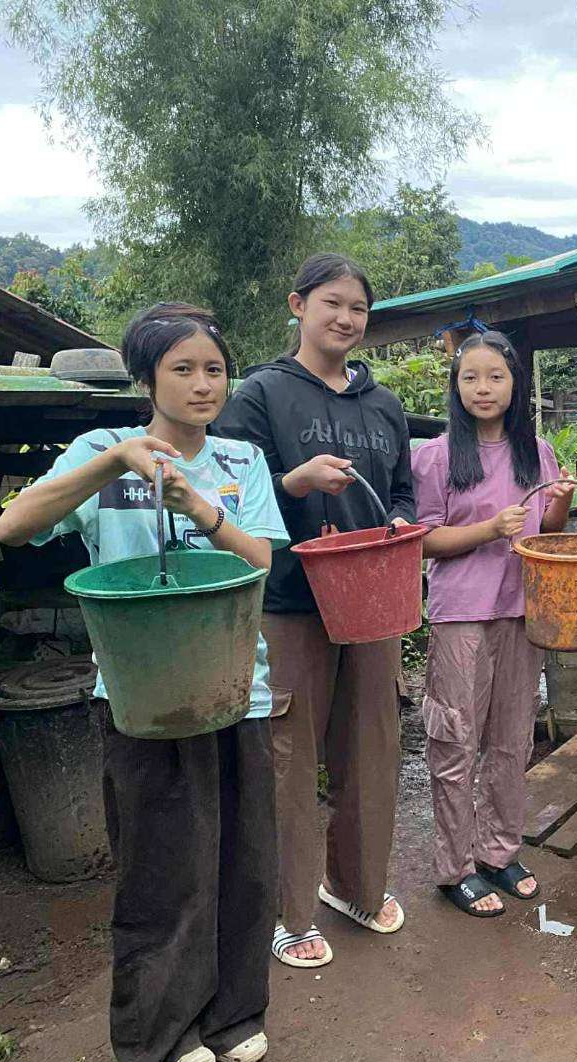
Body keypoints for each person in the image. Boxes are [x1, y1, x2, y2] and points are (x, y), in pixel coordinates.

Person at [0, 303, 288, 1062]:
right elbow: (15, 527)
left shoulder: (239, 458)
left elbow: (264, 558)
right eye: (182, 369)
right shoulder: (98, 450)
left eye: (214, 369)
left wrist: (201, 509)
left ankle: (234, 1013)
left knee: (245, 862)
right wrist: (114, 462)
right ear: (146, 377)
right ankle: (157, 1038)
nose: (202, 384)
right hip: (143, 694)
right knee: (163, 867)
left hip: (237, 686)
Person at [214, 253, 415, 968]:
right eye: (332, 303)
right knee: (288, 757)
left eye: (357, 309)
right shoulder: (260, 396)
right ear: (297, 305)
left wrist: (395, 523)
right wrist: (292, 481)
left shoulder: (383, 404)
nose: (345, 319)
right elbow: (229, 498)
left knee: (372, 745)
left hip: (373, 600)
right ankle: (287, 911)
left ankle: (356, 887)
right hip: (289, 601)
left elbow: (403, 497)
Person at [411, 330, 573, 916]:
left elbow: (547, 534)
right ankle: (454, 868)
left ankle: (499, 853)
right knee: (455, 740)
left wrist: (559, 501)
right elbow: (422, 540)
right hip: (461, 616)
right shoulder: (433, 455)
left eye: (496, 377)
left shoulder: (537, 450)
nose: (484, 388)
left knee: (511, 740)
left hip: (522, 609)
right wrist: (487, 530)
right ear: (456, 387)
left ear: (514, 385)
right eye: (471, 378)